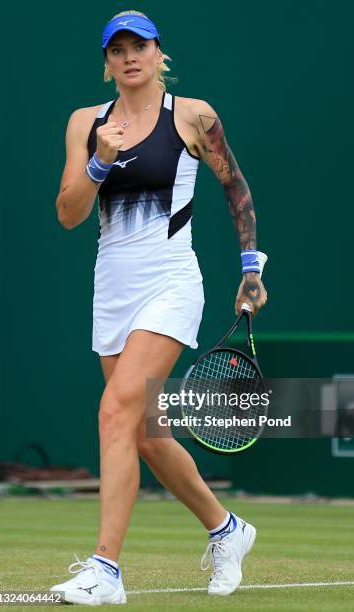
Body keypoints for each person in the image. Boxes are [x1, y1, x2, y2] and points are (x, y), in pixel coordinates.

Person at [50, 9, 268, 606]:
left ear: (157, 53)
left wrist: (251, 268)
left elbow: (236, 186)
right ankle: (228, 530)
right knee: (145, 434)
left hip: (172, 282)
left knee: (115, 412)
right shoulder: (84, 123)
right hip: (111, 288)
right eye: (117, 49)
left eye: (138, 46)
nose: (129, 57)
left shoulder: (194, 116)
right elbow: (69, 214)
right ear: (107, 62)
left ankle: (106, 571)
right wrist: (97, 160)